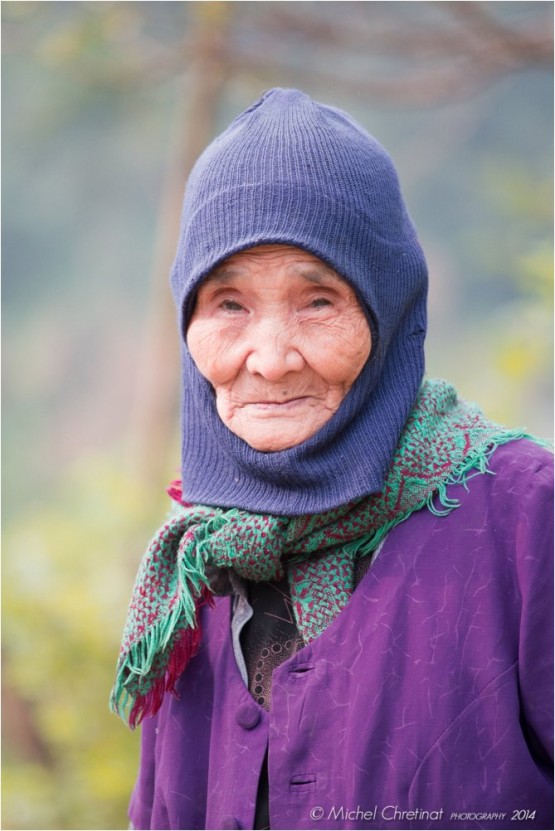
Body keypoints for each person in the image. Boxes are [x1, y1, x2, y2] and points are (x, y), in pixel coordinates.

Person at [111, 88, 553, 830]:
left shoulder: (526, 517)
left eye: (317, 301)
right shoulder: (196, 564)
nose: (271, 359)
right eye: (229, 305)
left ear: (387, 309)